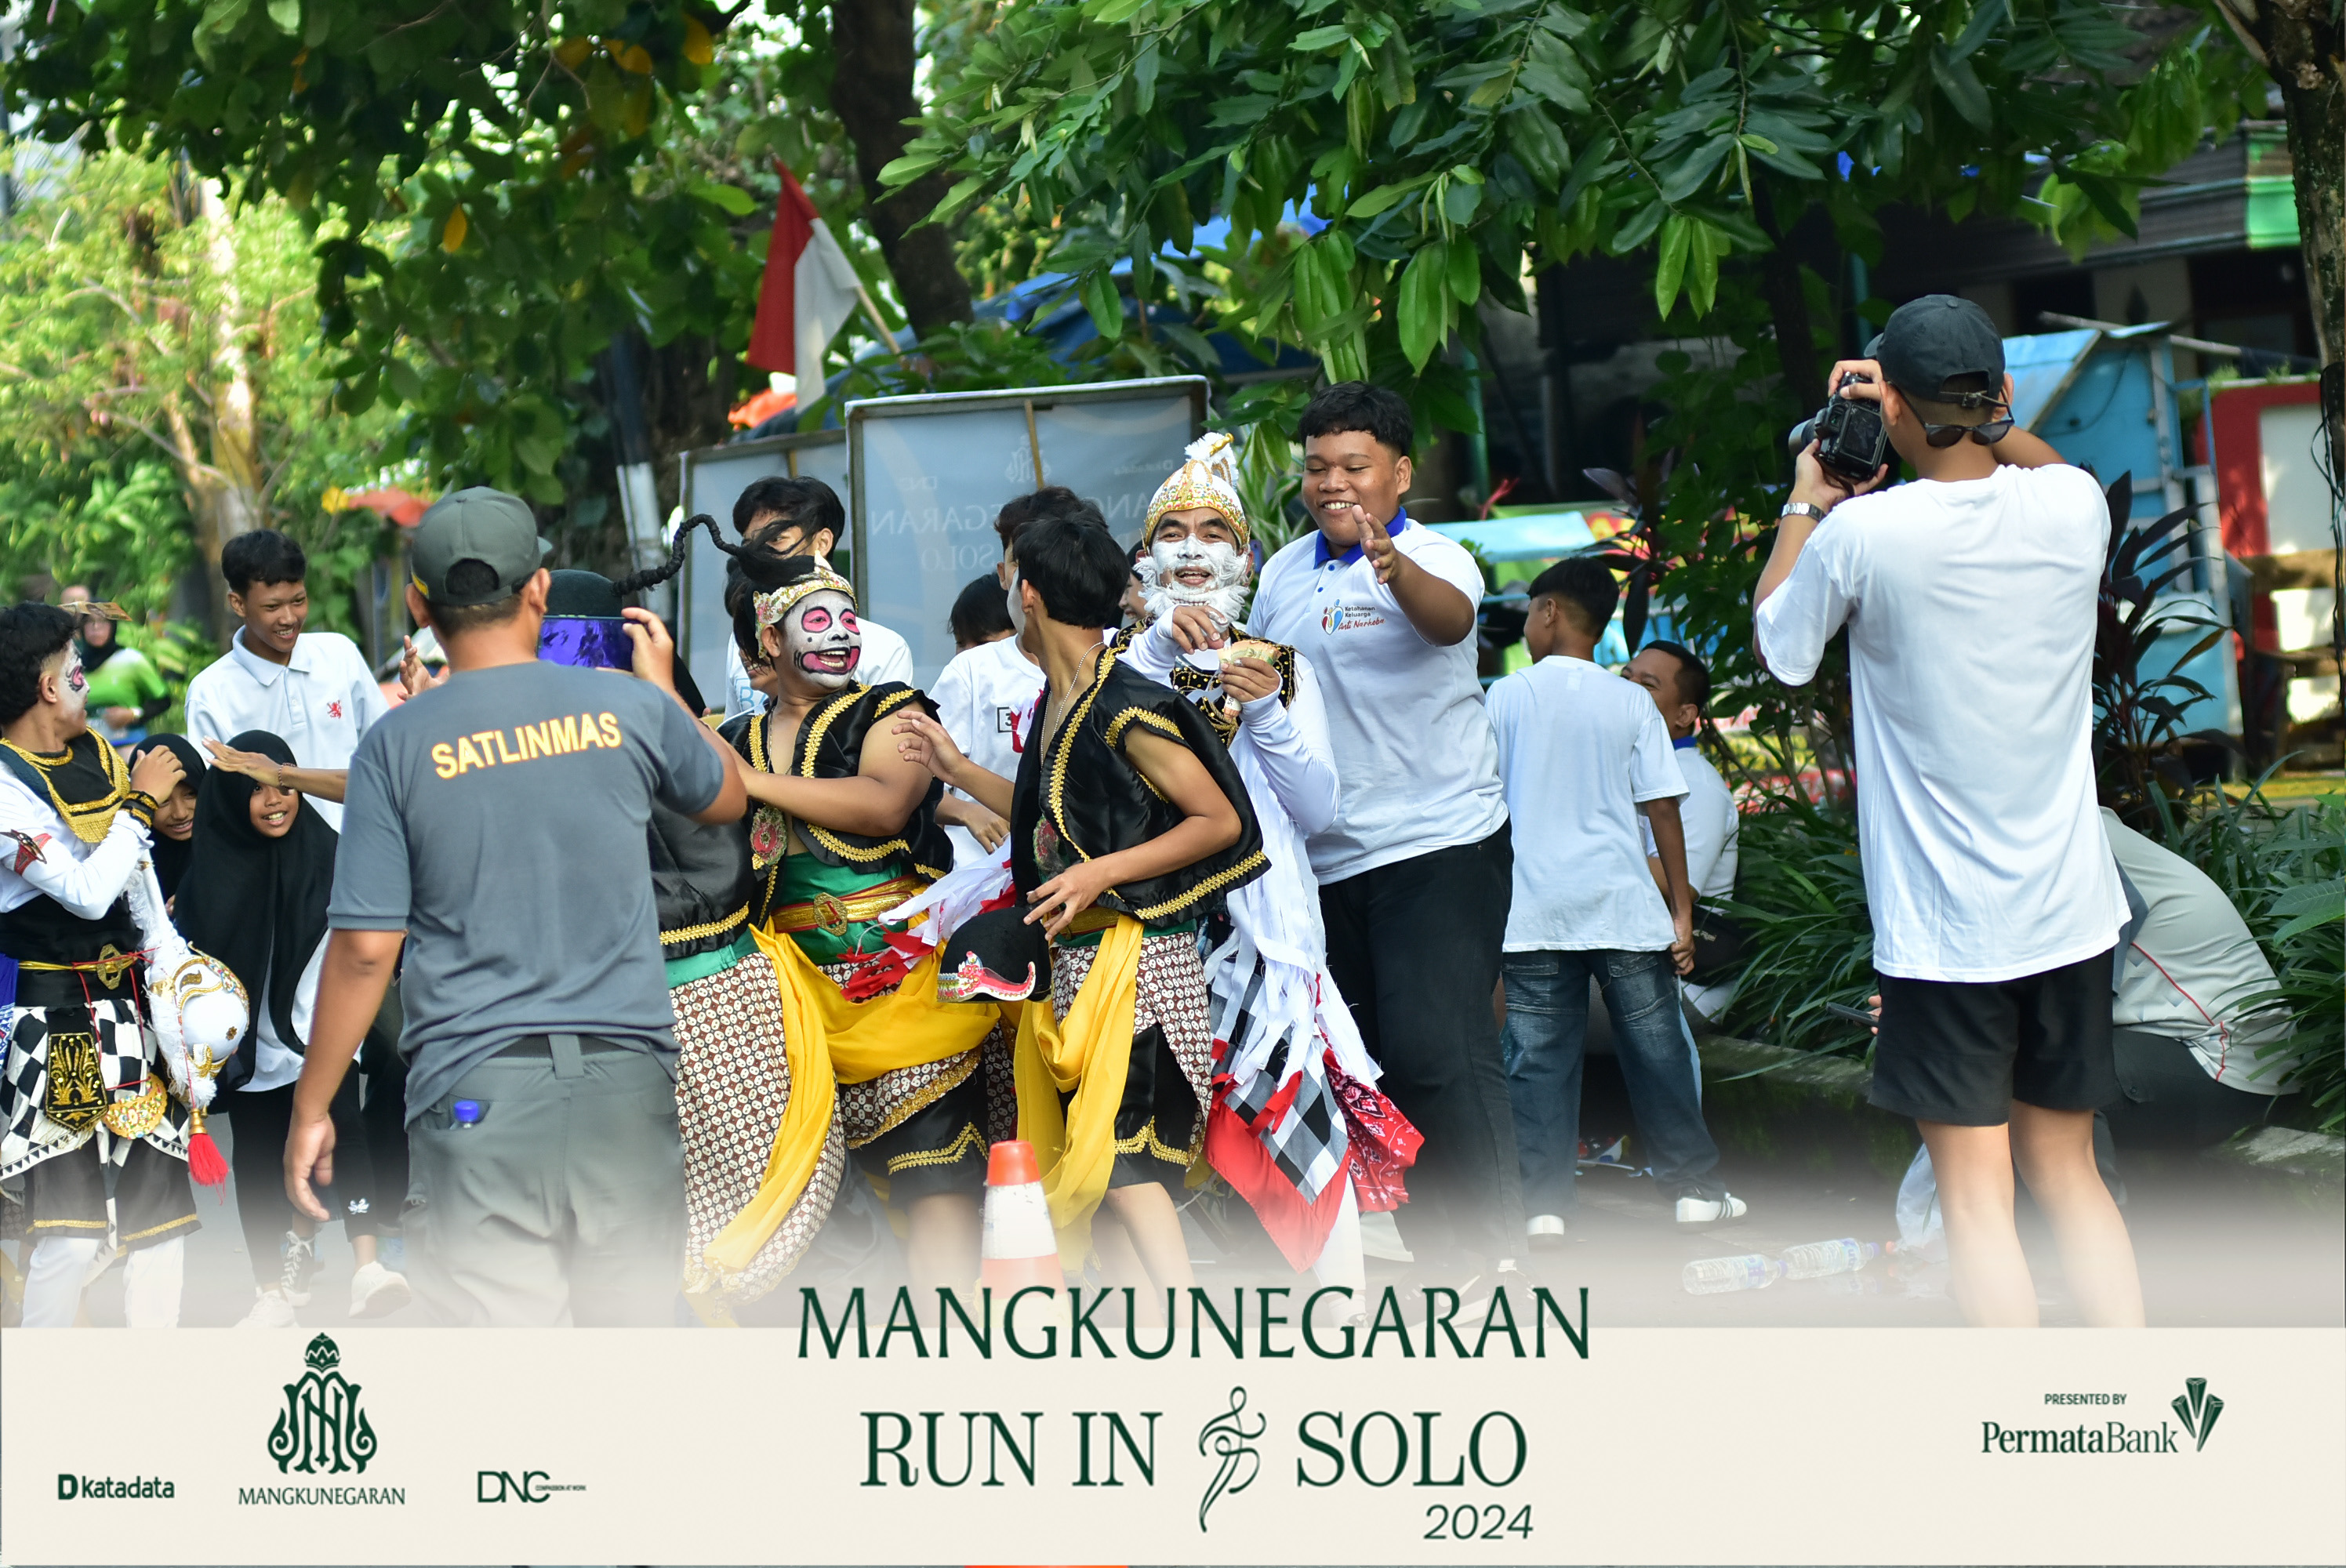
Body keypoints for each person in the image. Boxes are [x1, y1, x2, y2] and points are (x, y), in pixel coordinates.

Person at [1753, 293, 2140, 1328]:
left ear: (1893, 411)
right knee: (2069, 1173)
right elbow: (2035, 458)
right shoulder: (2073, 508)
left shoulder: (1863, 534)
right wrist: (1970, 411)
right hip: (2069, 914)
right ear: (2001, 393)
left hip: (1946, 936)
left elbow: (1781, 646)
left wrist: (1807, 498)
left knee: (1975, 1201)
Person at [282, 487, 747, 1327]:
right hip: (624, 1084)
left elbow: (364, 950)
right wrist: (661, 685)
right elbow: (726, 795)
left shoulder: (395, 745)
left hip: (475, 1091)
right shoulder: (629, 708)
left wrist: (312, 1107)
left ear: (419, 606)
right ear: (538, 587)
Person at [895, 500, 1263, 1305]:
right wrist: (956, 768)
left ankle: (1193, 1329)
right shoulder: (1064, 698)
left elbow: (1218, 820)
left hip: (1136, 965)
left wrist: (1101, 874)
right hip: (1079, 964)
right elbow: (1049, 818)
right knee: (1103, 1181)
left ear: (1025, 592)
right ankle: (1149, 1335)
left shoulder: (1123, 701)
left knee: (1127, 1164)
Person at [1211, 379, 1521, 1286]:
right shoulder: (1282, 572)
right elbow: (1258, 677)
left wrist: (1393, 569)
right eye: (1317, 467)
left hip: (1440, 841)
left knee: (1437, 1050)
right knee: (1373, 1063)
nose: (1332, 483)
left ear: (1400, 473)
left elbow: (1451, 622)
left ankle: (1489, 1251)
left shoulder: (1434, 557)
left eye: (1354, 465)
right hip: (1323, 858)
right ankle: (1436, 1253)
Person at [1123, 433, 1421, 1299]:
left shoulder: (1279, 668)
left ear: (1243, 559)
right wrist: (1153, 661)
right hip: (1146, 932)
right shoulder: (1118, 667)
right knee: (1142, 1125)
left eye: (1213, 532)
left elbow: (1318, 811)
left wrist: (1266, 717)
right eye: (1172, 531)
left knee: (1290, 1112)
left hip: (1262, 938)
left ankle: (1339, 1306)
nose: (1191, 548)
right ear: (1146, 560)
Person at [716, 546, 1008, 1297]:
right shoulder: (737, 736)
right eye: (818, 621)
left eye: (850, 619)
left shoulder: (892, 710)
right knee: (824, 1212)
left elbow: (884, 804)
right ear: (771, 639)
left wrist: (749, 783)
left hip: (899, 983)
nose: (842, 634)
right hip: (793, 1002)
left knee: (932, 1176)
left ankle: (950, 1339)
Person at [1489, 560, 1743, 1240]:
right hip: (1622, 909)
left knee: (1536, 1058)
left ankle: (1544, 1207)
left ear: (1548, 613)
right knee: (1657, 1051)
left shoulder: (1505, 699)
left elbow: (1483, 807)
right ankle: (1693, 1190)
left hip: (1534, 910)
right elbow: (1662, 809)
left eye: (1531, 611)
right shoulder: (1629, 702)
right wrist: (1681, 915)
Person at [1, 603, 197, 1327]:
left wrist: (182, 986)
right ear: (49, 686)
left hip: (134, 1013)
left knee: (160, 1219)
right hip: (56, 1026)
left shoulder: (100, 756)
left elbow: (139, 886)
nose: (88, 681)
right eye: (76, 669)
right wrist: (140, 806)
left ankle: (153, 1382)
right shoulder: (2, 787)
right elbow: (86, 895)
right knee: (73, 1232)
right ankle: (42, 1386)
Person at [175, 729, 409, 1326]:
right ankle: (272, 1292)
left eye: (281, 784)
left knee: (346, 1134)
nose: (274, 800)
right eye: (255, 790)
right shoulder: (209, 875)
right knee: (259, 1161)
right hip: (250, 1049)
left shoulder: (330, 852)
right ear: (232, 801)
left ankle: (366, 1268)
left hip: (320, 1034)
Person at [182, 531, 386, 829]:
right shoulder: (210, 693)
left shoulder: (340, 655)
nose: (289, 618)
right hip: (272, 857)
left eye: (298, 600)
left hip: (361, 842)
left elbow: (385, 757)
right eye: (272, 607)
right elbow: (218, 804)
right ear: (238, 604)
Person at [926, 495, 1068, 870]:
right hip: (982, 875)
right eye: (1021, 561)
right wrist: (967, 811)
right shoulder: (971, 671)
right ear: (1005, 574)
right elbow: (913, 784)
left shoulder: (1123, 655)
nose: (1032, 579)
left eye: (1050, 555)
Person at [721, 477, 914, 720]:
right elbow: (733, 730)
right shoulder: (743, 639)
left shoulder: (884, 648)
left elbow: (892, 737)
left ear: (822, 543)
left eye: (776, 539)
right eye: (749, 544)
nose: (758, 555)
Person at [1624, 640, 1741, 1022]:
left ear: (1685, 714)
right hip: (1633, 963)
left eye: (1647, 685)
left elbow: (1677, 886)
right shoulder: (1630, 767)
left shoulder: (1696, 784)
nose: (1628, 691)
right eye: (1625, 678)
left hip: (1684, 988)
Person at [59, 589, 169, 748]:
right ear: (82, 628)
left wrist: (134, 714)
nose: (96, 627)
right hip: (84, 747)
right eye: (89, 622)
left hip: (128, 744)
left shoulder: (131, 660)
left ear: (113, 626)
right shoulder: (71, 664)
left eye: (103, 621)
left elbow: (163, 700)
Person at [139, 733, 206, 906]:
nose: (180, 814)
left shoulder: (235, 849)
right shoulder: (129, 862)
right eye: (163, 801)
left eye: (190, 794)